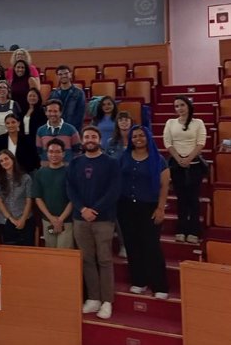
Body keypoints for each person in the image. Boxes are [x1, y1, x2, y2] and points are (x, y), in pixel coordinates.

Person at [66, 126, 121, 320]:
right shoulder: (75, 163)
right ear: (82, 140)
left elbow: (114, 191)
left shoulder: (111, 163)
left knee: (104, 259)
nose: (90, 139)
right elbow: (70, 189)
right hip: (80, 219)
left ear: (100, 140)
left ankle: (107, 301)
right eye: (87, 136)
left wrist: (94, 210)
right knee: (87, 259)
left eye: (93, 136)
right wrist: (82, 209)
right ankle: (94, 298)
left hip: (103, 219)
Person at [118, 126, 170, 299]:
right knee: (132, 245)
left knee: (151, 246)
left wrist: (161, 208)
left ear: (148, 137)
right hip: (126, 207)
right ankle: (138, 281)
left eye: (141, 135)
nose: (138, 139)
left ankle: (159, 285)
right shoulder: (124, 157)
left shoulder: (159, 160)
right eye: (134, 136)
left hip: (149, 207)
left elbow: (164, 186)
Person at [163, 95, 207, 244]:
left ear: (188, 106)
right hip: (177, 165)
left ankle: (194, 231)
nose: (179, 109)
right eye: (176, 106)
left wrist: (188, 158)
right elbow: (168, 142)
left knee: (193, 199)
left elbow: (201, 142)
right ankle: (181, 229)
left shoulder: (198, 123)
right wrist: (178, 158)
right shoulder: (170, 122)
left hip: (194, 165)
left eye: (182, 105)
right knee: (181, 199)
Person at [32, 139, 74, 249]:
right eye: (51, 151)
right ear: (47, 153)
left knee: (64, 254)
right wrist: (51, 218)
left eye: (57, 152)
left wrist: (60, 219)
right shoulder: (40, 173)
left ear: (63, 153)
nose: (54, 155)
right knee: (50, 252)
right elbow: (38, 198)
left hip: (66, 221)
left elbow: (73, 199)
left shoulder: (70, 172)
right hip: (47, 221)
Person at [0, 150, 34, 246]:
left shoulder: (26, 178)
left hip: (25, 220)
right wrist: (11, 219)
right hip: (6, 221)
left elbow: (29, 200)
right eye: (1, 161)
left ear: (12, 159)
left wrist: (23, 219)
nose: (4, 162)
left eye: (6, 159)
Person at [36, 99, 81, 164]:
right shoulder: (40, 131)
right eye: (49, 111)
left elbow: (77, 151)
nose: (52, 114)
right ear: (45, 112)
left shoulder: (71, 129)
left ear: (60, 112)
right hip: (47, 169)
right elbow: (39, 152)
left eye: (55, 111)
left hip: (67, 169)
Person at [48, 65, 86, 131]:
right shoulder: (53, 94)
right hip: (56, 129)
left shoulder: (79, 93)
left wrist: (72, 130)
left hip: (73, 130)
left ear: (70, 74)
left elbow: (80, 115)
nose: (63, 76)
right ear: (57, 77)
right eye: (60, 74)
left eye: (66, 73)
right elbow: (50, 113)